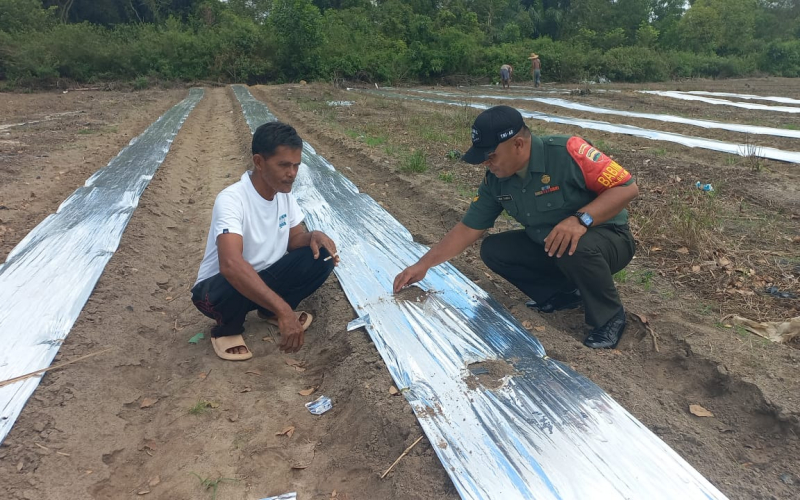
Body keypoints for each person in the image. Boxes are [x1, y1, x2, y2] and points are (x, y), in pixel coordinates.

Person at [393, 106, 638, 349]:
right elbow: (469, 228)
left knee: (575, 245)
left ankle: (610, 317)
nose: (486, 164)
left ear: (518, 144)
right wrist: (422, 265)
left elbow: (627, 188)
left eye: (491, 156)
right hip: (553, 246)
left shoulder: (568, 152)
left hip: (607, 241)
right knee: (494, 250)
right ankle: (561, 295)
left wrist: (580, 219)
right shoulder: (496, 181)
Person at [192, 121, 338, 360]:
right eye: (284, 165)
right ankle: (226, 329)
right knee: (235, 272)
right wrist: (285, 311)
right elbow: (230, 264)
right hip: (218, 292)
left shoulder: (283, 194)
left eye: (296, 165)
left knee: (320, 256)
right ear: (259, 162)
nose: (292, 173)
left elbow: (293, 241)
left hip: (262, 278)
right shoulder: (232, 199)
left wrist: (313, 236)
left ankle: (268, 309)